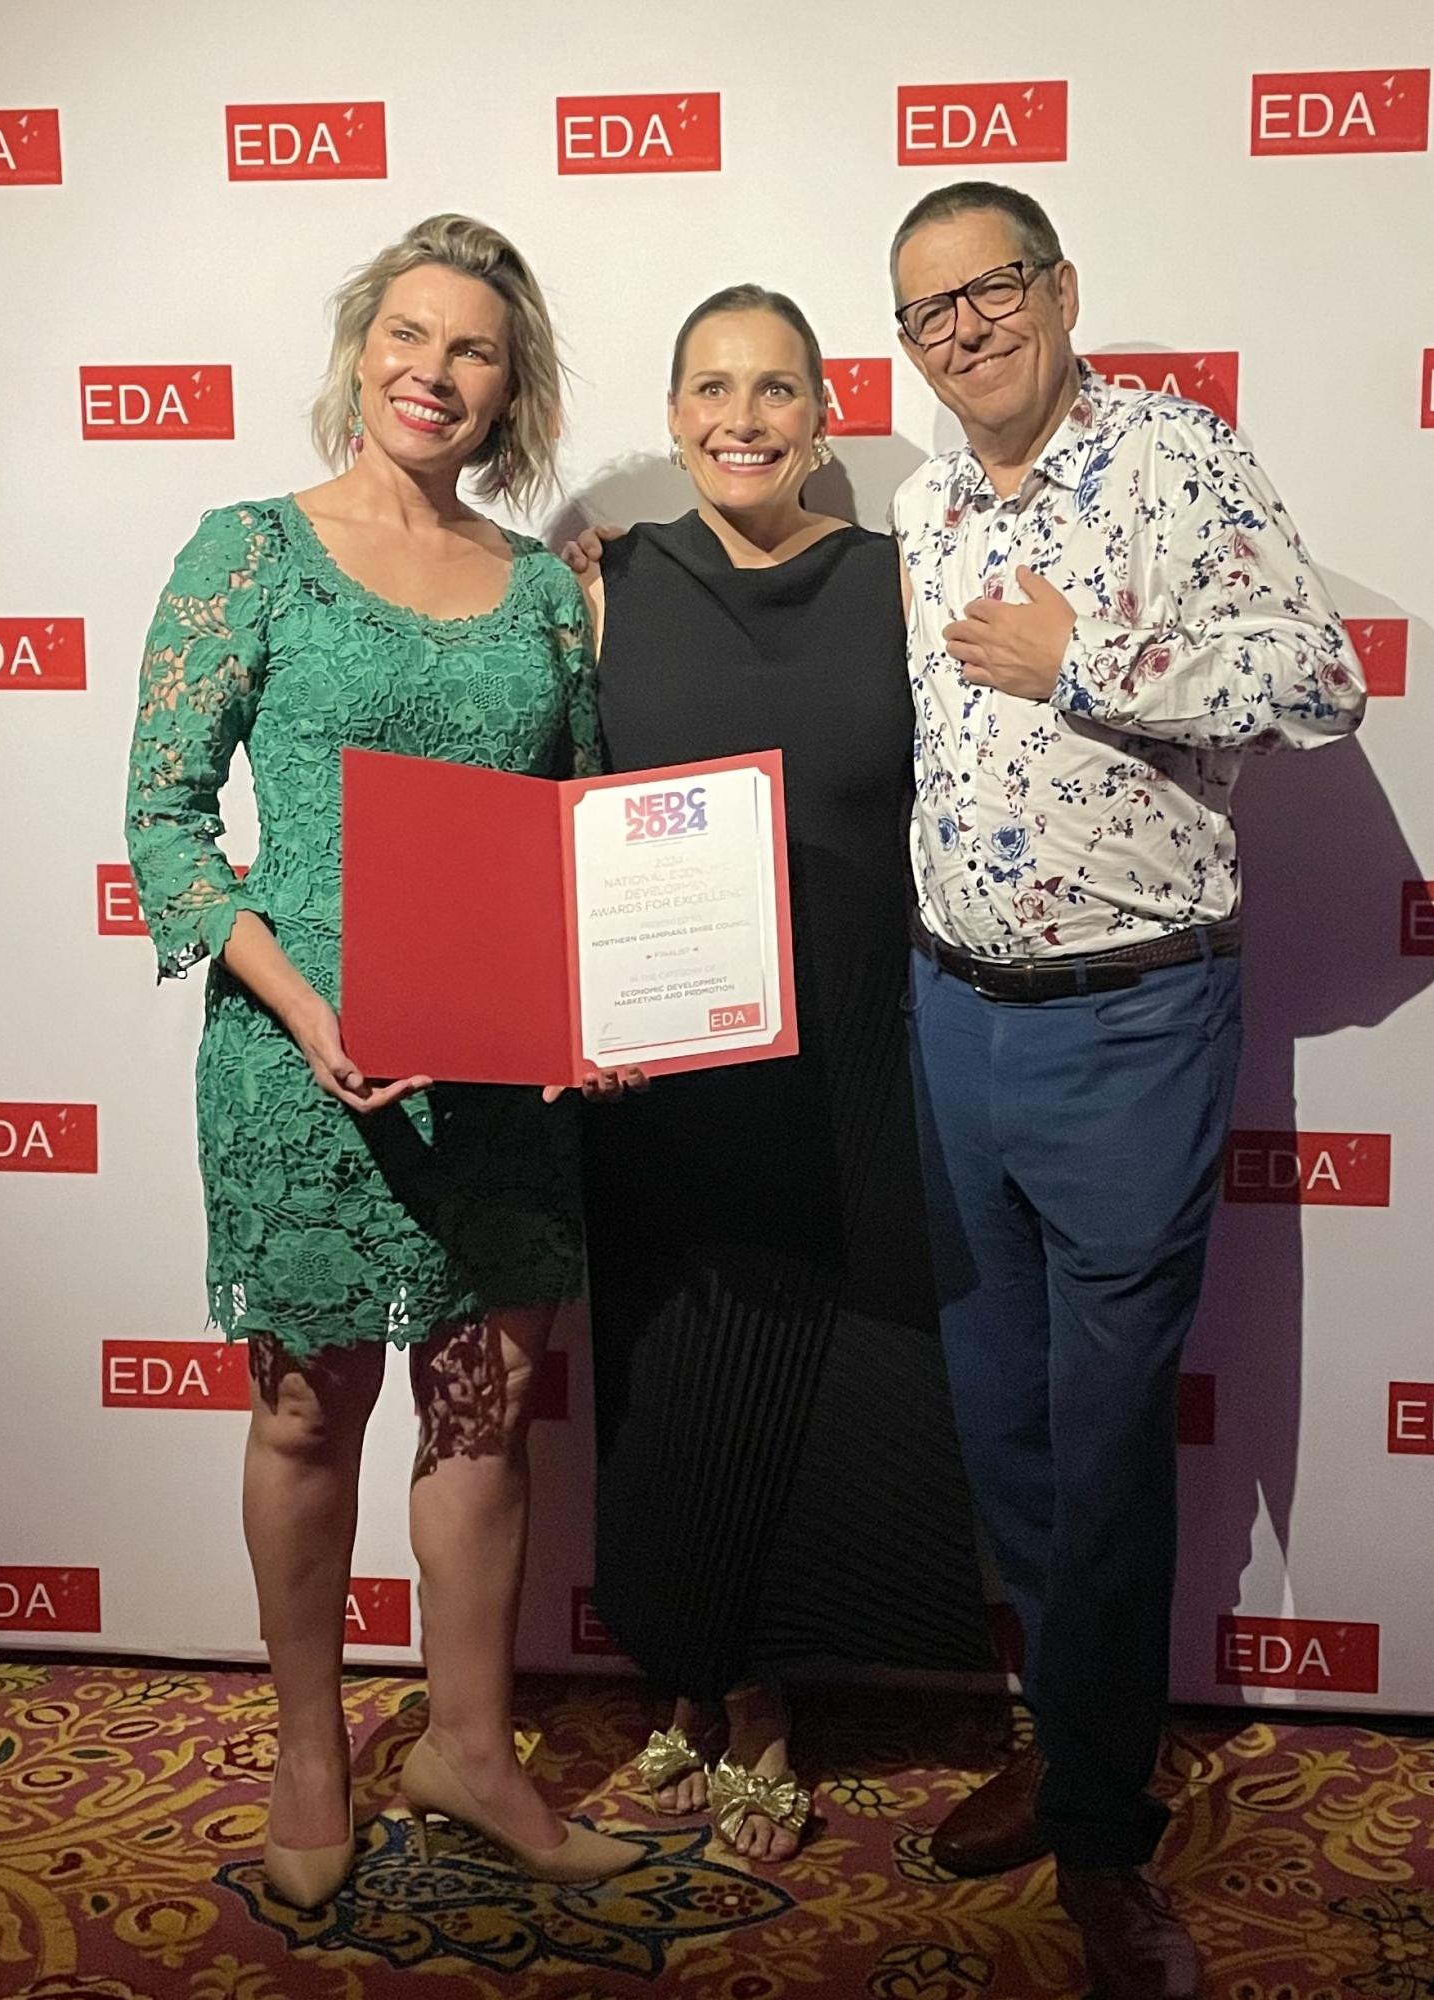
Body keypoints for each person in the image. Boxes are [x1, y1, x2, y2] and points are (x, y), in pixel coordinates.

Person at [124, 213, 635, 1908]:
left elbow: (576, 839)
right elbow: (167, 827)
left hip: (498, 1079)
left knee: (484, 1416)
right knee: (304, 1415)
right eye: (409, 336)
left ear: (512, 390)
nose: (435, 370)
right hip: (301, 1061)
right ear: (361, 350)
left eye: (474, 348)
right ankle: (310, 1746)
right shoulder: (247, 551)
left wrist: (597, 1015)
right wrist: (304, 1001)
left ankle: (472, 1753)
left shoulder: (545, 594)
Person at [889, 181, 1365, 1997]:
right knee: (1005, 1417)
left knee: (1103, 1434)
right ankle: (1063, 1731)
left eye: (993, 289)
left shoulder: (1178, 455)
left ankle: (1103, 1829)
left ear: (1062, 288)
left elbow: (1316, 681)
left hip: (1131, 1022)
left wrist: (1082, 654)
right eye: (929, 313)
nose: (966, 330)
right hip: (955, 1013)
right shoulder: (928, 505)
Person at [564, 286, 987, 1863]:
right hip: (665, 1074)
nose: (740, 417)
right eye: (709, 387)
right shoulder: (611, 587)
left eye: (775, 389)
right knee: (670, 1369)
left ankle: (766, 1708)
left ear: (823, 415)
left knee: (829, 1377)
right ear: (672, 415)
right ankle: (690, 1682)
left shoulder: (899, 580)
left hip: (861, 1048)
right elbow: (561, 815)